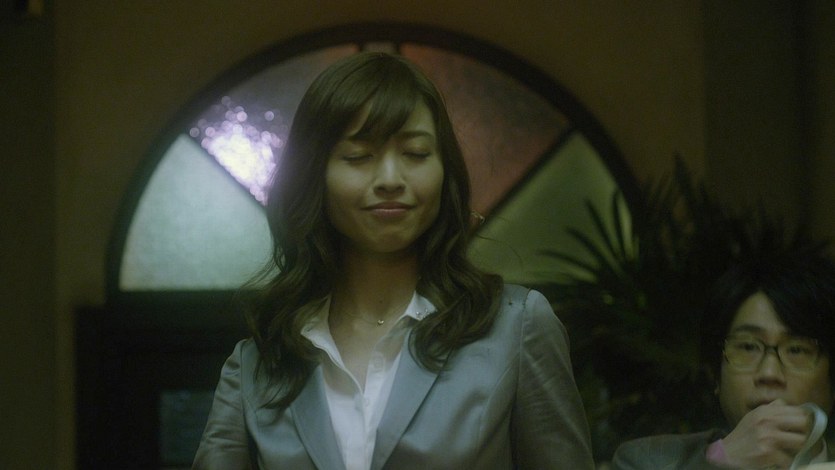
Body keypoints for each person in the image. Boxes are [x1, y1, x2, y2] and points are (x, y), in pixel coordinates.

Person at [192, 51, 594, 470]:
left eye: (416, 154)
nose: (389, 179)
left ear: (445, 170)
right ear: (315, 176)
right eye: (358, 156)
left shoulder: (516, 327)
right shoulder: (260, 362)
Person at [611, 236, 835, 469]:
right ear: (716, 375)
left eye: (797, 350)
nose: (769, 373)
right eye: (748, 347)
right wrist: (721, 462)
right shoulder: (646, 461)